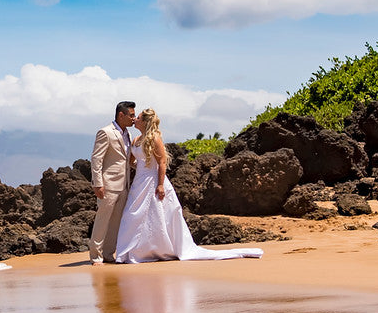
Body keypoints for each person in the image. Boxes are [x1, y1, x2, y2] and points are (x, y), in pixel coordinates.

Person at [115, 108, 264, 263]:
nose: (134, 120)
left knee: (156, 215)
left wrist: (160, 185)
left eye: (137, 117)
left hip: (153, 181)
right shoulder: (135, 140)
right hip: (139, 182)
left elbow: (162, 162)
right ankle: (135, 250)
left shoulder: (154, 139)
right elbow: (132, 161)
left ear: (145, 122)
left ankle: (157, 249)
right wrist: (139, 170)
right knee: (133, 216)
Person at [90, 101, 137, 264]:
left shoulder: (128, 135)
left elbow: (127, 160)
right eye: (131, 115)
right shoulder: (105, 132)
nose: (134, 118)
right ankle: (96, 255)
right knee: (102, 221)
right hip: (108, 185)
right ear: (121, 115)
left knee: (116, 223)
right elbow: (97, 159)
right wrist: (98, 184)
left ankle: (109, 255)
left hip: (124, 185)